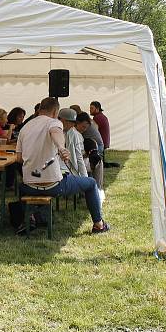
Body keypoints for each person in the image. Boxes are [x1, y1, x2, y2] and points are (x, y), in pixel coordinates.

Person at [17, 97, 109, 234]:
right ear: (55, 112)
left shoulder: (25, 127)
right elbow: (56, 132)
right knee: (90, 183)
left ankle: (30, 219)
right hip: (54, 186)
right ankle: (99, 224)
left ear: (40, 108)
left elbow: (19, 158)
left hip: (29, 186)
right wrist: (61, 147)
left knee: (21, 187)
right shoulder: (55, 123)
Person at [75, 111, 104, 190]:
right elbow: (77, 154)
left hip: (79, 159)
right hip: (76, 163)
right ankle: (98, 189)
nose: (85, 130)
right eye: (83, 127)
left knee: (95, 159)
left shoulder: (77, 133)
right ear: (77, 122)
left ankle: (94, 188)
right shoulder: (75, 134)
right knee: (98, 162)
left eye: (86, 128)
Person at [58, 108, 87, 178]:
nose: (73, 125)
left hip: (70, 171)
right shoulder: (53, 131)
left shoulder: (74, 133)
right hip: (56, 171)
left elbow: (79, 156)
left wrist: (85, 177)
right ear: (62, 120)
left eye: (74, 123)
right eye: (71, 122)